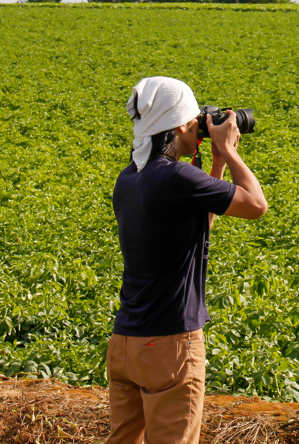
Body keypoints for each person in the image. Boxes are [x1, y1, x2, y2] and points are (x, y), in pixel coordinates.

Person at [105, 76, 268, 444]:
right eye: (196, 119)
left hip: (126, 345)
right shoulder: (177, 177)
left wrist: (216, 165)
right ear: (180, 125)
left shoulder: (129, 179)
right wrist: (230, 151)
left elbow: (198, 222)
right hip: (170, 346)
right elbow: (257, 206)